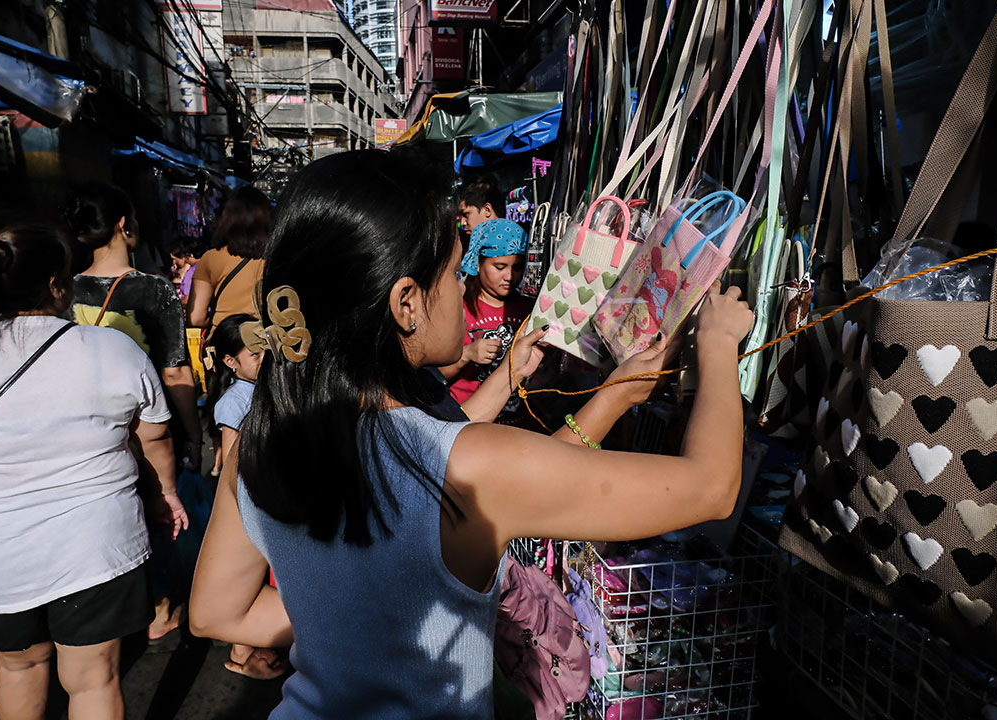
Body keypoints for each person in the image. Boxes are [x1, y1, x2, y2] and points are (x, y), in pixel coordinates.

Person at [189, 149, 752, 719]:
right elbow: (711, 487)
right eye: (457, 271)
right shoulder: (460, 462)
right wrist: (717, 343)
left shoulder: (264, 443)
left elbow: (217, 614)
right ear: (406, 302)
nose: (464, 289)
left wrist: (342, 612)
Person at [0, 225, 188, 720]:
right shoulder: (113, 349)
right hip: (96, 543)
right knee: (94, 680)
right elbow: (154, 438)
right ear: (56, 285)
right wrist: (165, 496)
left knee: (16, 669)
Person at [64, 181, 202, 642]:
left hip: (79, 432)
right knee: (160, 511)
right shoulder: (153, 291)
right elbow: (177, 374)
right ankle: (159, 608)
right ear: (124, 225)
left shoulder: (63, 290)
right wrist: (192, 432)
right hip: (142, 429)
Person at [201, 313, 287, 680]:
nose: (265, 359)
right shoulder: (234, 402)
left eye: (268, 350)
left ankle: (249, 647)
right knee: (250, 580)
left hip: (271, 496)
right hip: (252, 504)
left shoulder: (266, 388)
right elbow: (234, 460)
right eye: (255, 354)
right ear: (230, 362)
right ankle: (240, 653)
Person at [439, 218, 532, 409]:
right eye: (499, 267)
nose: (509, 276)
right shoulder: (458, 309)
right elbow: (434, 374)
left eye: (517, 267)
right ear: (478, 264)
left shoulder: (530, 309)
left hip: (523, 427)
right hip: (471, 426)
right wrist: (467, 354)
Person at [187, 185, 271, 339]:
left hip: (224, 344)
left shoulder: (211, 258)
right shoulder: (275, 258)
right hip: (263, 343)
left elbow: (196, 318)